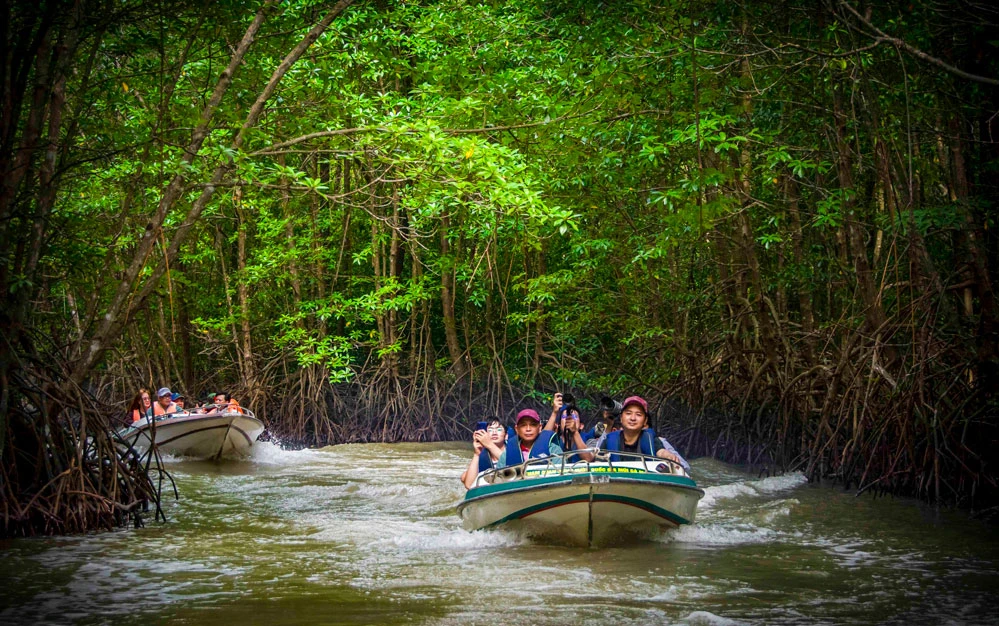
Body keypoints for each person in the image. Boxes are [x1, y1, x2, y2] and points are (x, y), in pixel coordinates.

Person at [597, 396, 684, 466]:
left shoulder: (651, 439)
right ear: (621, 418)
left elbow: (661, 451)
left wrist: (668, 456)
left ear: (645, 421)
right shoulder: (608, 440)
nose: (633, 418)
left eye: (638, 414)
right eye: (628, 413)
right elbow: (598, 464)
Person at [498, 409, 563, 467]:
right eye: (523, 425)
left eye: (533, 425)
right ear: (516, 429)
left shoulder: (553, 449)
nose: (528, 429)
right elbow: (498, 477)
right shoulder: (508, 452)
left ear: (540, 427)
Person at [460, 417, 507, 489]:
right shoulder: (482, 455)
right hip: (490, 491)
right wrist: (477, 454)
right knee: (464, 477)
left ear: (506, 436)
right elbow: (469, 486)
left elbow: (510, 463)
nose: (494, 433)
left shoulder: (513, 451)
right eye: (490, 430)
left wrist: (489, 444)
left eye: (499, 429)